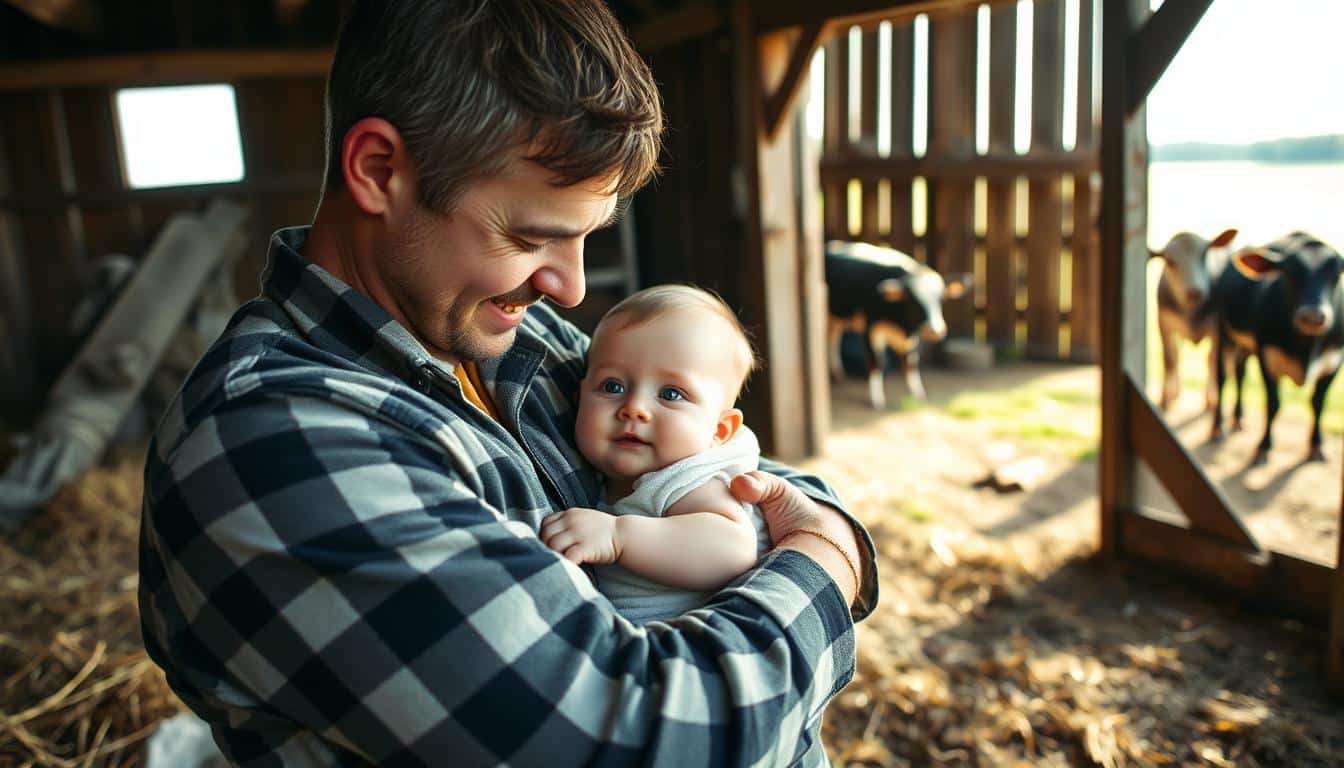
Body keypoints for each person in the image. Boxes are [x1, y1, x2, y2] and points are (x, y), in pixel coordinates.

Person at [138, 1, 878, 766]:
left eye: (586, 237)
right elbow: (651, 740)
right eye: (532, 237)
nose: (572, 288)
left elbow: (732, 466)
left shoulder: (518, 337)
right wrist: (826, 553)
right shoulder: (272, 441)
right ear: (378, 171)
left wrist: (809, 528)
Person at [543, 285, 803, 624]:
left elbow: (730, 547)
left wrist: (618, 535)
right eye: (612, 386)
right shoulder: (613, 473)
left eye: (670, 393)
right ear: (579, 399)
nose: (634, 408)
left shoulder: (692, 479)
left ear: (719, 430)